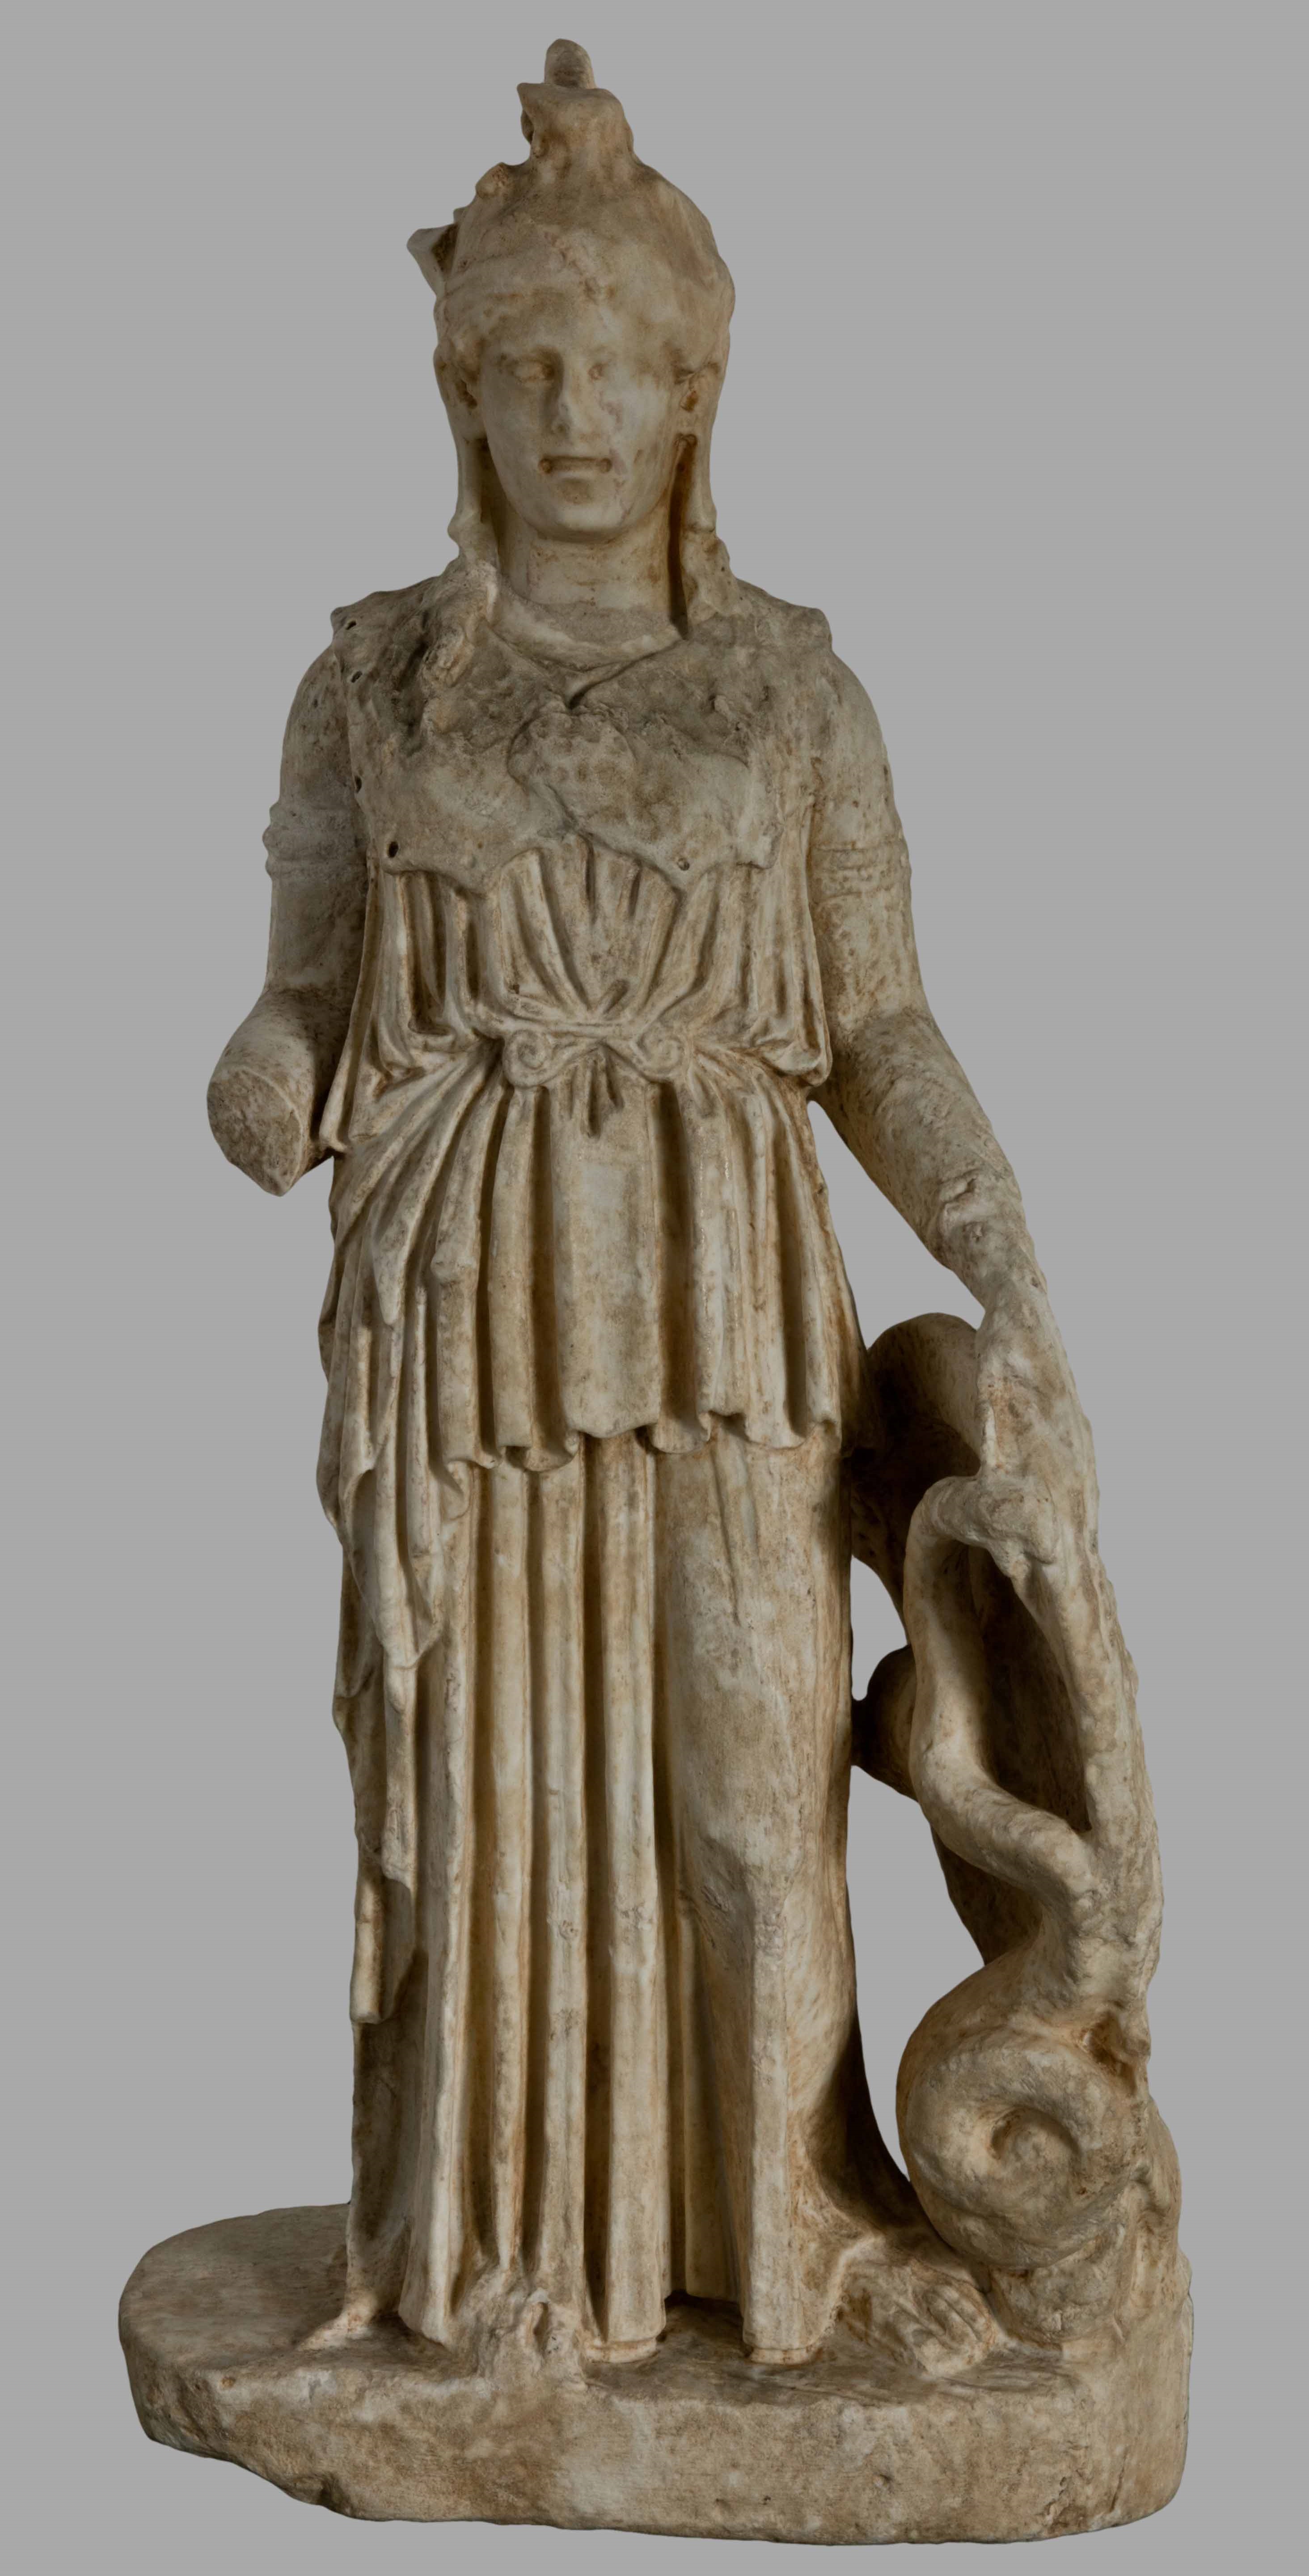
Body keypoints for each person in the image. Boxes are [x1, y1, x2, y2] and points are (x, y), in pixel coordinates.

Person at [210, 42, 1093, 2375]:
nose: (576, 414)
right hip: (467, 1306)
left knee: (751, 1788)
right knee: (490, 1792)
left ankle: (793, 2235)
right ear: (465, 396)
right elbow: (305, 982)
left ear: (699, 393)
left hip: (718, 1305)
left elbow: (880, 1025)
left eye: (619, 368)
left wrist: (1002, 1249)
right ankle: (498, 2270)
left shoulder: (795, 695)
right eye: (528, 369)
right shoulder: (370, 682)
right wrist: (271, 1073)